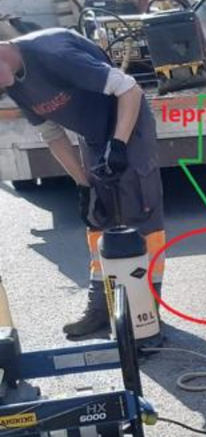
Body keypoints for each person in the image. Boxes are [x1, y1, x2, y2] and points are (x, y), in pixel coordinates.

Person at [0, 29, 165, 339]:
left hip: (129, 123)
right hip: (93, 134)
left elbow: (129, 90)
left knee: (140, 213)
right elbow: (52, 135)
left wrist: (118, 143)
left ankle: (147, 312)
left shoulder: (53, 55)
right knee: (98, 218)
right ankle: (101, 308)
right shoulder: (13, 80)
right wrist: (82, 183)